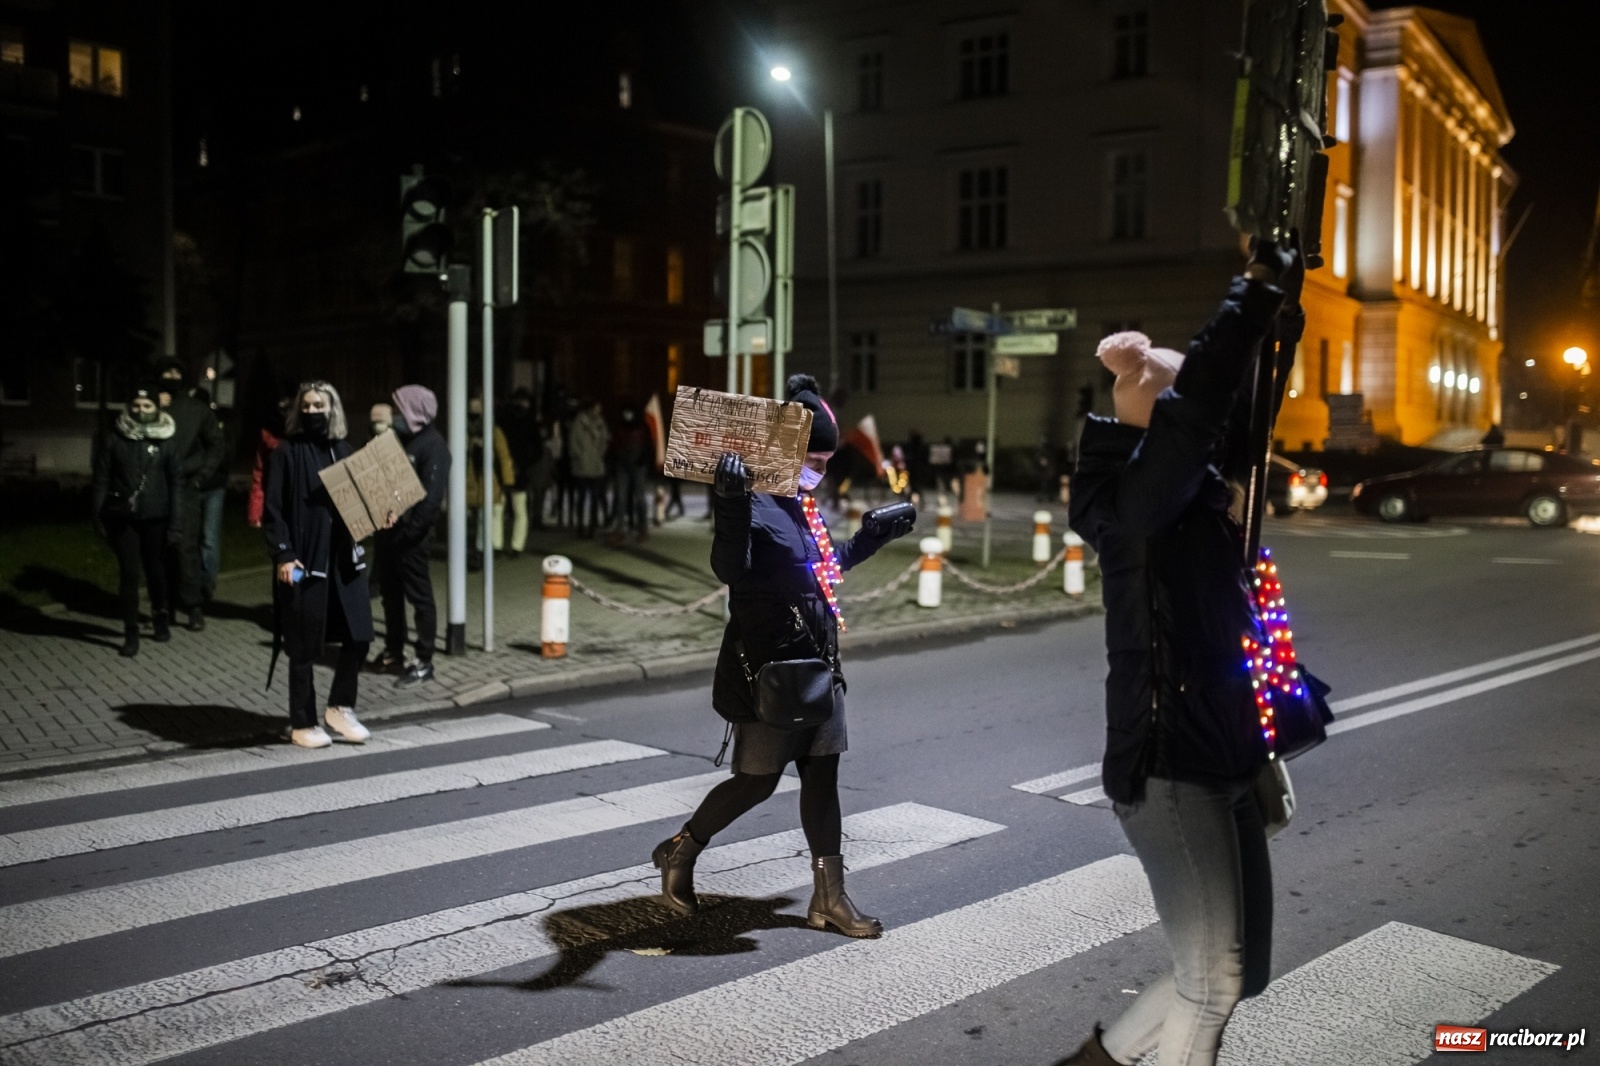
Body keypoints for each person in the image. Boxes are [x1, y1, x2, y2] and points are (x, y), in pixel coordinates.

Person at [1055, 240, 1303, 1066]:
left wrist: (1285, 310)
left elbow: (1243, 413)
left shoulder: (1190, 492)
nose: (1212, 426)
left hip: (1220, 751)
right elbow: (1201, 410)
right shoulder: (1139, 501)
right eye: (1185, 406)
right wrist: (1250, 297)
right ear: (1156, 416)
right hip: (1168, 765)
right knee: (1213, 981)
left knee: (1238, 975)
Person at [650, 373, 916, 936]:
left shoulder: (802, 503)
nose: (820, 468)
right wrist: (728, 503)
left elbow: (819, 572)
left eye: (826, 458)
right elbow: (729, 569)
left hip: (820, 665)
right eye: (814, 457)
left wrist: (871, 537)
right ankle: (680, 850)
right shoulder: (755, 499)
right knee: (756, 781)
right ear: (788, 451)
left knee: (823, 778)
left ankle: (830, 900)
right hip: (771, 668)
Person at [262, 381, 389, 749]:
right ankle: (302, 722)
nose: (314, 412)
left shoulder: (344, 452)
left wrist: (383, 513)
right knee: (304, 644)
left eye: (321, 406)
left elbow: (360, 506)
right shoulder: (287, 453)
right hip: (305, 561)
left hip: (344, 561)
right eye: (308, 405)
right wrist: (283, 554)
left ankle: (340, 707)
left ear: (333, 410)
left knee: (359, 636)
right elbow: (273, 510)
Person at [91, 384, 180, 657]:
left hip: (157, 515)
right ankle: (131, 631)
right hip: (122, 516)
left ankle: (160, 615)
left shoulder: (166, 440)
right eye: (136, 405)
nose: (141, 410)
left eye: (147, 406)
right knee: (130, 573)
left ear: (157, 408)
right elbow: (102, 478)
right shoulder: (113, 438)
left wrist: (176, 523)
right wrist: (97, 514)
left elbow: (176, 483)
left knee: (155, 569)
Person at [374, 385, 450, 687]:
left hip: (412, 538)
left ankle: (424, 660)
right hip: (390, 532)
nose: (395, 415)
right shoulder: (403, 440)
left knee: (419, 598)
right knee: (391, 596)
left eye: (399, 409)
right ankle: (394, 650)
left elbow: (431, 500)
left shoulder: (433, 447)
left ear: (415, 411)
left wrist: (412, 530)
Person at [155, 357, 225, 631]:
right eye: (166, 372)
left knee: (186, 548)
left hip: (186, 487)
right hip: (155, 487)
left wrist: (202, 477)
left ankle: (193, 606)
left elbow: (216, 444)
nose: (171, 377)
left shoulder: (196, 410)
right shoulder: (149, 406)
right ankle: (165, 604)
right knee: (159, 549)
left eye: (175, 372)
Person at [465, 396, 515, 568]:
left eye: (477, 406)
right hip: (471, 479)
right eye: (472, 406)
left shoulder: (493, 430)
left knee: (488, 514)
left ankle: (487, 548)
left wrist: (507, 481)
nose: (474, 410)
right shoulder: (464, 430)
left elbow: (503, 456)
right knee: (480, 515)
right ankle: (483, 549)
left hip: (489, 479)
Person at [501, 388, 542, 556]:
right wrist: (527, 463)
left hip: (504, 468)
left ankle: (497, 544)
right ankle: (516, 546)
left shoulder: (503, 420)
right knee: (519, 510)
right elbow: (538, 450)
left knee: (499, 508)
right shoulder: (529, 422)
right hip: (520, 470)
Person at [568, 398, 610, 537]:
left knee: (595, 497)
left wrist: (601, 453)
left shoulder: (600, 423)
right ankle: (580, 525)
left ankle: (592, 526)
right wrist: (580, 456)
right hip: (582, 466)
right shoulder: (579, 422)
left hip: (596, 465)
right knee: (581, 497)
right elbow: (573, 442)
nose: (599, 411)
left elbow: (605, 439)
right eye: (597, 408)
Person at [609, 405, 651, 541]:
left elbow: (649, 446)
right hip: (622, 465)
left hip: (638, 465)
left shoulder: (642, 426)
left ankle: (642, 528)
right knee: (621, 498)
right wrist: (617, 458)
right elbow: (613, 444)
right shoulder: (619, 426)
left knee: (639, 498)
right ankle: (619, 529)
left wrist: (642, 460)